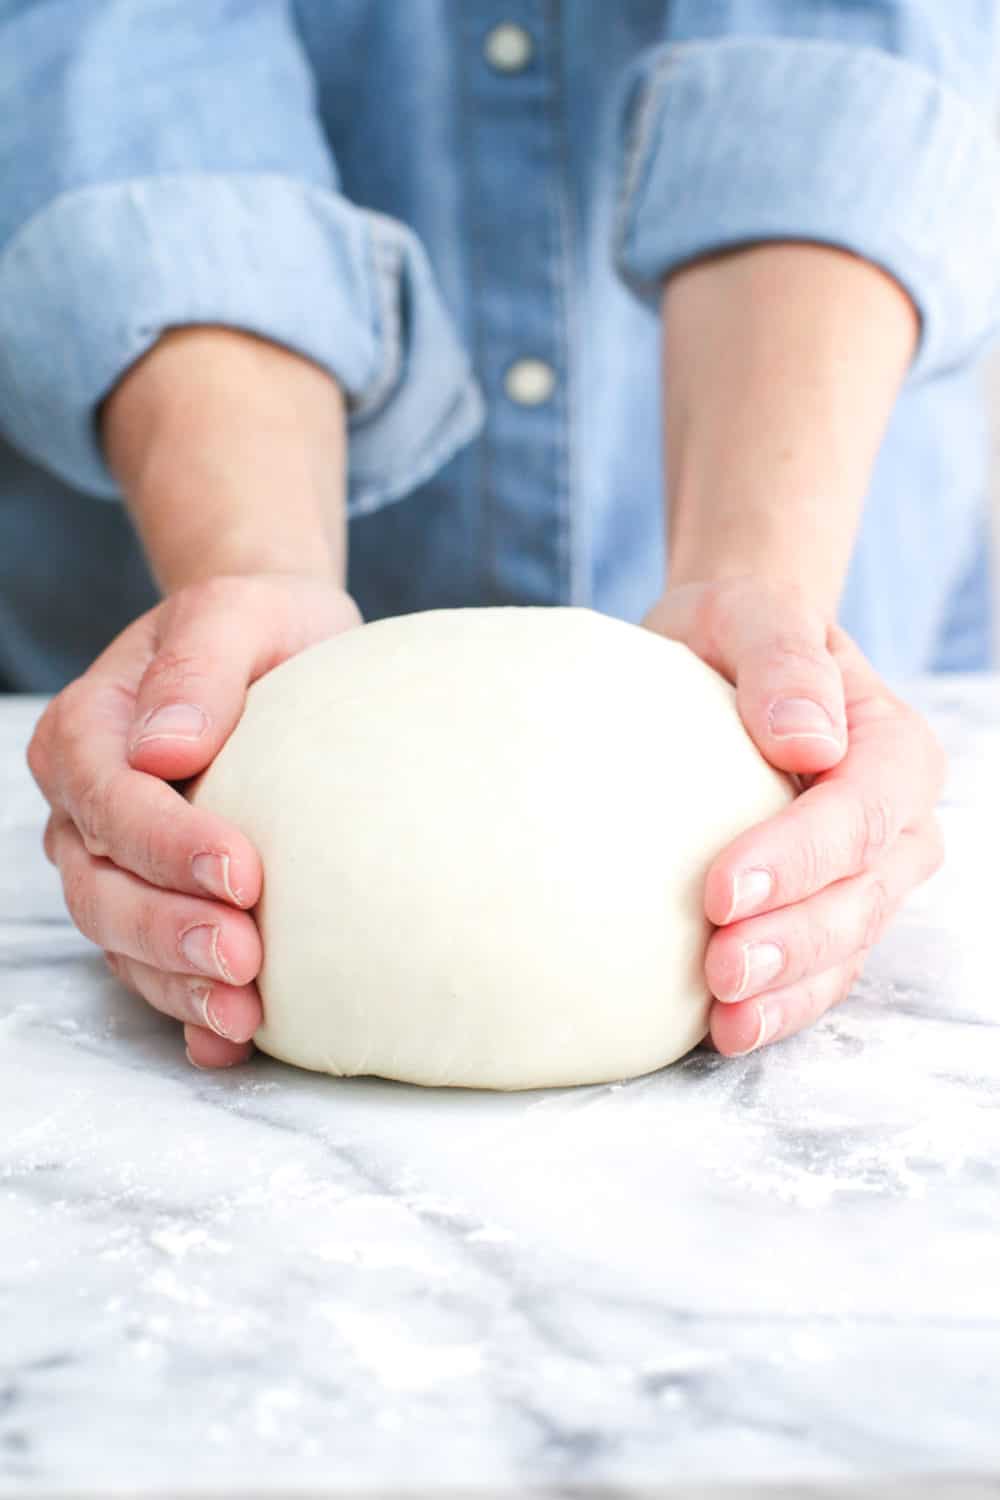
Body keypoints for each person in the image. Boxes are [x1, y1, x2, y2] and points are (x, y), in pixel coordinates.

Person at [3, 3, 995, 1070]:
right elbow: (129, 45)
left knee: (764, 811)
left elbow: (838, 41)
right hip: (180, 499)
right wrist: (244, 572)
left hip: (805, 455)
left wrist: (766, 597)